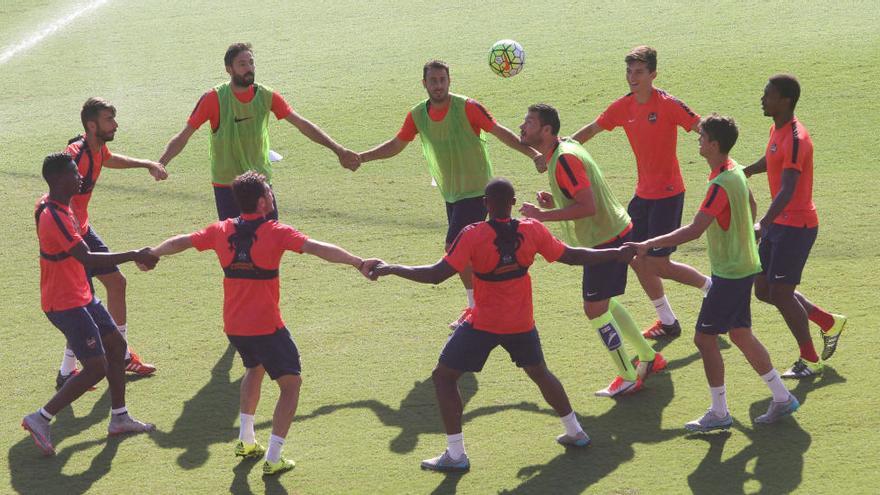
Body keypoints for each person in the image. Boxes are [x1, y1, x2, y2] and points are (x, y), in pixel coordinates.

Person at [369, 178, 635, 472]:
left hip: (483, 323)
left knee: (444, 377)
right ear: (512, 203)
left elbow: (435, 275)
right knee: (540, 372)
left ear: (485, 204)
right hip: (521, 321)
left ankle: (456, 454)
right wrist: (616, 252)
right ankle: (575, 430)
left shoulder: (472, 234)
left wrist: (391, 268)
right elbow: (573, 257)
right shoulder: (532, 230)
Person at [148, 171, 376, 476]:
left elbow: (183, 241)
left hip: (234, 326)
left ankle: (246, 440)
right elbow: (319, 248)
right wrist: (358, 262)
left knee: (253, 369)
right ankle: (273, 456)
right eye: (269, 192)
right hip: (267, 327)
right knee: (291, 385)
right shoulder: (276, 231)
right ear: (260, 201)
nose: (272, 196)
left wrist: (153, 252)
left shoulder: (221, 229)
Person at [627, 114, 798, 432]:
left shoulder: (720, 184)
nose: (698, 139)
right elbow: (752, 203)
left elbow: (694, 230)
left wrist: (648, 243)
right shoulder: (734, 171)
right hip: (743, 266)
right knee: (740, 334)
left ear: (714, 145)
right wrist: (745, 233)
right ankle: (781, 396)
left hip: (731, 273)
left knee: (705, 339)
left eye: (702, 136)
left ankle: (719, 412)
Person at [357, 60, 545, 329]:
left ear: (449, 81)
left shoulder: (468, 107)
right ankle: (489, 303)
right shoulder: (417, 115)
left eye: (442, 80)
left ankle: (476, 307)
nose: (438, 85)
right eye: (433, 81)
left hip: (478, 192)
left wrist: (534, 154)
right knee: (476, 252)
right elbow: (397, 145)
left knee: (454, 248)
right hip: (452, 194)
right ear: (424, 84)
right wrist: (362, 158)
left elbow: (500, 131)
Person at [519, 104, 666, 397]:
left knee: (594, 309)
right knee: (604, 303)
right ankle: (649, 357)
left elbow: (588, 206)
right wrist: (557, 202)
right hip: (611, 233)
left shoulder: (564, 160)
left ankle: (627, 376)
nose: (523, 126)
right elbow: (581, 197)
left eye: (530, 122)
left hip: (606, 239)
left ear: (546, 131)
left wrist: (541, 216)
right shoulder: (564, 148)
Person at [22, 152, 159, 457]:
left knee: (115, 347)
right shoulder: (53, 216)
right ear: (57, 180)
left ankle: (120, 417)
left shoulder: (56, 204)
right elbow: (87, 258)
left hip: (80, 293)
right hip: (64, 302)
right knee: (96, 366)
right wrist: (135, 253)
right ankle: (40, 418)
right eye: (74, 173)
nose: (80, 177)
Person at [571, 45, 710, 339]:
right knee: (634, 256)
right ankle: (668, 321)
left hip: (669, 194)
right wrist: (561, 150)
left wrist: (725, 159)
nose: (632, 78)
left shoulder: (668, 104)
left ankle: (712, 289)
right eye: (629, 72)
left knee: (659, 263)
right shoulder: (623, 106)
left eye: (639, 72)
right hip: (643, 195)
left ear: (653, 74)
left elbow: (702, 126)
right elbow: (592, 130)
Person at [158, 42, 358, 221]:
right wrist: (161, 163)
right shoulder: (214, 99)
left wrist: (338, 149)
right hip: (228, 186)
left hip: (260, 183)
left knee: (270, 243)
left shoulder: (266, 96)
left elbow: (302, 125)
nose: (249, 68)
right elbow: (184, 135)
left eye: (251, 63)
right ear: (229, 69)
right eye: (242, 64)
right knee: (235, 249)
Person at [56, 97, 168, 390]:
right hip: (74, 239)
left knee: (116, 284)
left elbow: (109, 158)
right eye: (109, 120)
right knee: (85, 305)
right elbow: (57, 193)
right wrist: (69, 239)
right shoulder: (76, 156)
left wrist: (145, 164)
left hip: (84, 229)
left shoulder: (98, 149)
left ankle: (122, 354)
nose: (115, 124)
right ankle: (68, 370)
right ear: (92, 125)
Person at [743, 74, 847, 378]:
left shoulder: (798, 139)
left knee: (782, 293)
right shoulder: (777, 130)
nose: (762, 98)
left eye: (768, 94)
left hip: (796, 226)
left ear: (785, 100)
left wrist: (763, 222)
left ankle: (810, 359)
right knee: (764, 289)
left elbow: (788, 188)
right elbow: (771, 158)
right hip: (779, 224)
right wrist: (744, 171)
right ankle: (828, 321)